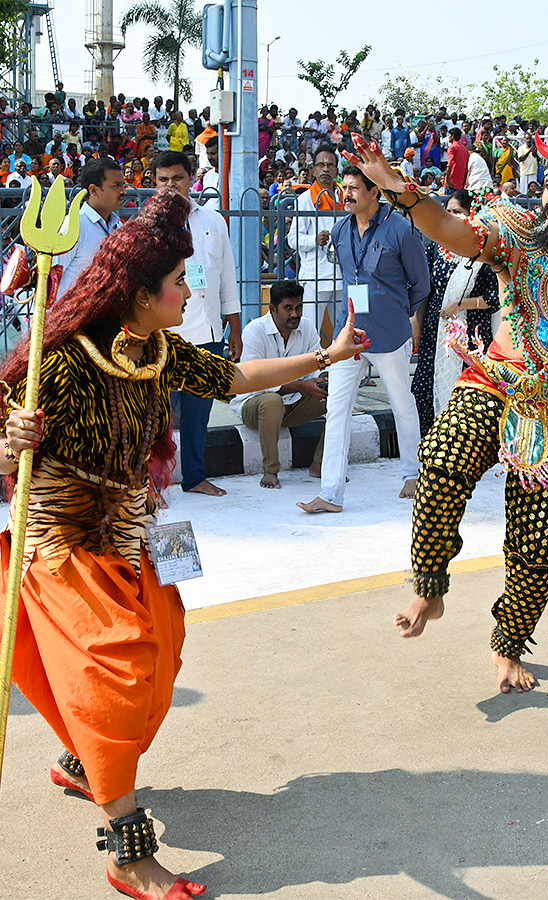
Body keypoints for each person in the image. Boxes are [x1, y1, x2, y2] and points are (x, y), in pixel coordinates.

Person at [0, 187, 368, 900]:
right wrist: (9, 441)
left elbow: (232, 377)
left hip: (134, 535)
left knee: (163, 655)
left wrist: (324, 354)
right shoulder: (66, 362)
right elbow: (4, 445)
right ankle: (127, 852)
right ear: (139, 295)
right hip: (63, 545)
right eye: (177, 283)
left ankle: (82, 762)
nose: (188, 291)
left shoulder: (160, 349)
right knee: (119, 672)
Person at [344, 127, 548, 693]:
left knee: (540, 544)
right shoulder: (517, 230)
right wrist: (401, 192)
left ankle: (508, 643)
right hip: (496, 383)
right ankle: (429, 586)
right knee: (440, 461)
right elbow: (451, 231)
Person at [298, 164, 429, 513]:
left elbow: (421, 284)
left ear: (375, 192)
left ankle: (412, 474)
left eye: (355, 188)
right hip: (348, 334)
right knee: (336, 409)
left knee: (402, 405)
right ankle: (330, 494)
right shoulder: (340, 230)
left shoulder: (401, 230)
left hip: (390, 334)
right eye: (346, 187)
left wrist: (400, 314)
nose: (347, 193)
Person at [152, 150, 241, 497]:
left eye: (177, 178)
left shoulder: (213, 221)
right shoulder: (149, 225)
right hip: (164, 332)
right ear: (154, 183)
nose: (170, 186)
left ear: (192, 179)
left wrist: (233, 323)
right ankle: (154, 483)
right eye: (163, 180)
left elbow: (227, 275)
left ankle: (194, 476)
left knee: (198, 413)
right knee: (157, 415)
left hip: (207, 329)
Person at [411, 189, 500, 435]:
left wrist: (461, 304)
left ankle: (461, 450)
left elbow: (496, 298)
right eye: (447, 211)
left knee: (467, 394)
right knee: (423, 388)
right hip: (435, 331)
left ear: (471, 216)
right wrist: (415, 321)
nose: (451, 216)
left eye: (457, 212)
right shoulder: (436, 249)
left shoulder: (483, 251)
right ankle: (430, 447)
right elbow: (423, 287)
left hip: (471, 334)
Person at [231, 280, 328, 488]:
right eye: (288, 308)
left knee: (339, 396)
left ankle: (321, 464)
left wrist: (325, 379)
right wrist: (302, 385)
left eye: (299, 307)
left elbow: (316, 364)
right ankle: (270, 471)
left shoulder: (307, 326)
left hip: (293, 404)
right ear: (272, 309)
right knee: (272, 401)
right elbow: (255, 382)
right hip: (255, 404)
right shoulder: (254, 331)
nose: (295, 314)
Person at [287, 142, 344, 337]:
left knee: (346, 330)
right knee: (309, 332)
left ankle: (342, 368)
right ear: (313, 169)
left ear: (337, 169)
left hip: (342, 277)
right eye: (321, 165)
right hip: (315, 278)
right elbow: (292, 240)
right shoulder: (305, 200)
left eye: (330, 165)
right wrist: (314, 240)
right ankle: (311, 368)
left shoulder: (344, 197)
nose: (326, 169)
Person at [55, 159, 125, 297]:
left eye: (123, 185)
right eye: (116, 185)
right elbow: (51, 278)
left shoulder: (119, 227)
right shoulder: (73, 225)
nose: (123, 191)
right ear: (93, 190)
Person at [444, 128, 469, 192]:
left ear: (453, 136)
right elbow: (466, 168)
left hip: (452, 181)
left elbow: (449, 165)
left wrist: (448, 181)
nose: (448, 137)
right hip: (460, 182)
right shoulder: (465, 149)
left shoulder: (452, 147)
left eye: (449, 135)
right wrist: (463, 183)